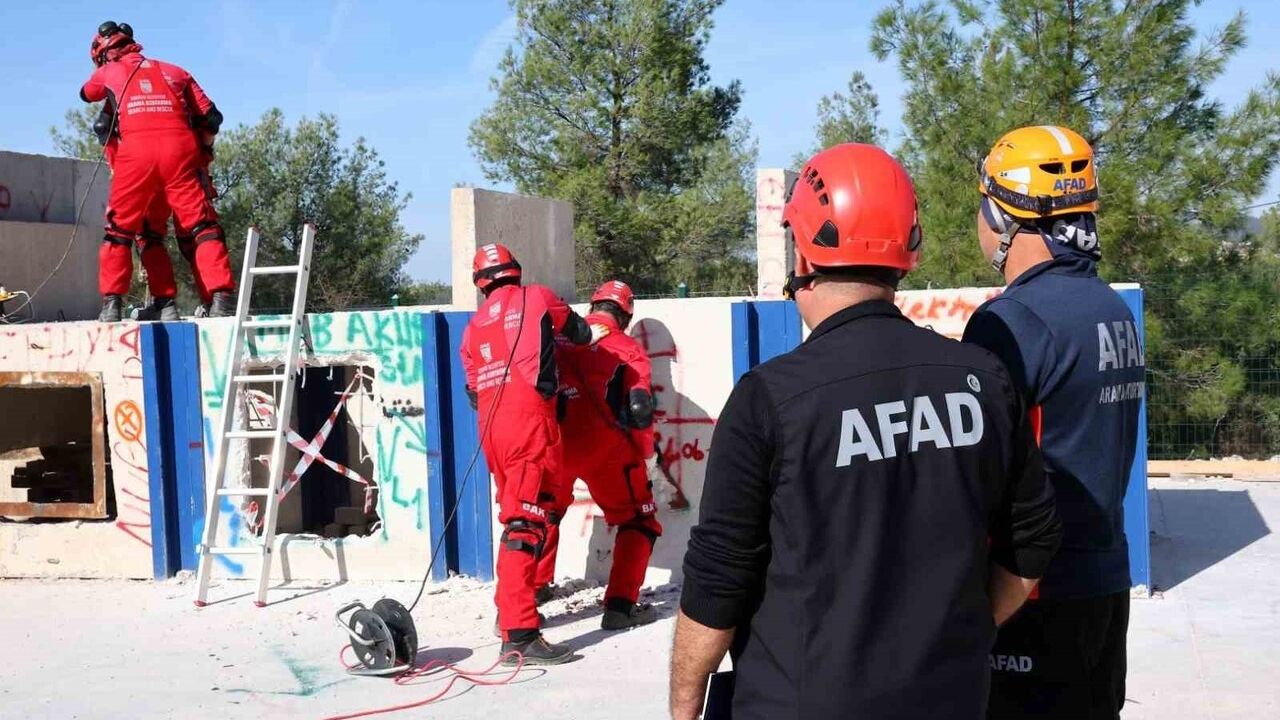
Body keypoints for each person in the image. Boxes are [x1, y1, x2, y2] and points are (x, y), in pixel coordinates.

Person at [669, 143, 1064, 720]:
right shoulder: (984, 378)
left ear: (802, 256)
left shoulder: (770, 399)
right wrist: (970, 630)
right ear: (907, 249)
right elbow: (1034, 540)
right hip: (950, 697)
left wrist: (683, 706)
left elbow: (717, 585)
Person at [965, 125, 1145, 720]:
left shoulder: (1011, 321)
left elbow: (978, 472)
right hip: (1104, 582)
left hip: (1030, 595)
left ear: (1004, 215)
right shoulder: (1112, 308)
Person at [460, 243, 605, 665]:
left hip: (492, 428)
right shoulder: (537, 296)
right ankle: (519, 632)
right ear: (515, 271)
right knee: (525, 524)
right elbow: (578, 333)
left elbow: (473, 391)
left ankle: (511, 614)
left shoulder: (471, 330)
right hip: (530, 424)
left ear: (480, 282)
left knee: (523, 515)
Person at [81, 20, 236, 321]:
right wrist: (203, 151)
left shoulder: (108, 71)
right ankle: (220, 299)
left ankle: (128, 304)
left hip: (136, 157)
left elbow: (87, 94)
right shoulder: (176, 71)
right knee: (202, 227)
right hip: (182, 156)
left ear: (102, 53)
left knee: (126, 231)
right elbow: (212, 117)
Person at [535, 279, 663, 631]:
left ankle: (532, 593)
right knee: (639, 521)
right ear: (625, 316)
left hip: (553, 444)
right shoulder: (628, 348)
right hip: (605, 448)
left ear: (592, 308)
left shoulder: (557, 340)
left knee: (540, 514)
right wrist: (647, 455)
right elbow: (639, 410)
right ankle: (620, 606)